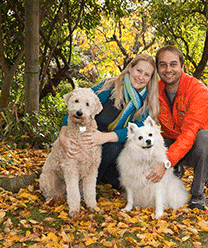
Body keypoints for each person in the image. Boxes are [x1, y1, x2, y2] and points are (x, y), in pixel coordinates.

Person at [59, 53, 159, 189]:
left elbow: (137, 131)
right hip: (87, 134)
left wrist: (105, 137)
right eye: (139, 70)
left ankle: (93, 184)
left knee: (115, 147)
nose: (141, 77)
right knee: (82, 142)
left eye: (147, 75)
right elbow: (77, 108)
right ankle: (70, 181)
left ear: (151, 79)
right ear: (130, 68)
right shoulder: (108, 86)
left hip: (110, 145)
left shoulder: (146, 103)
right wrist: (63, 135)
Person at [146, 45, 208, 210]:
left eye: (173, 64)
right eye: (163, 64)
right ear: (157, 69)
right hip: (171, 141)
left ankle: (198, 194)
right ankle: (171, 172)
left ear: (182, 66)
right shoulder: (154, 90)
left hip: (195, 144)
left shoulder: (198, 91)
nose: (168, 69)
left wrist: (166, 161)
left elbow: (190, 133)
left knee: (205, 138)